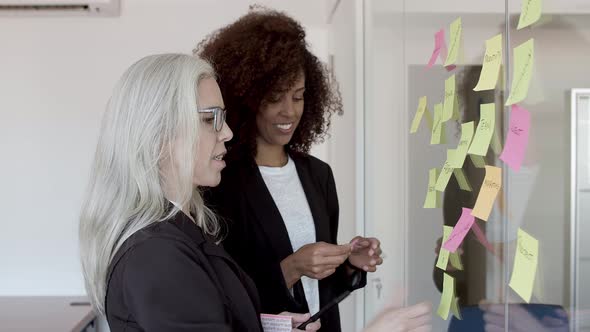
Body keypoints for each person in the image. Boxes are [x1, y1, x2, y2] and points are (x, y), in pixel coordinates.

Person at [78, 53, 431, 332]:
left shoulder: (181, 230)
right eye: (209, 119)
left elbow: (215, 309)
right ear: (158, 132)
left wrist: (268, 326)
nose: (226, 133)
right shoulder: (156, 255)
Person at [197, 8, 383, 331]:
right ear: (249, 97)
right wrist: (291, 267)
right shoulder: (222, 181)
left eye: (298, 97)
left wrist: (350, 263)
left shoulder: (318, 175)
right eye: (275, 98)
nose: (289, 111)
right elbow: (222, 291)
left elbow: (322, 286)